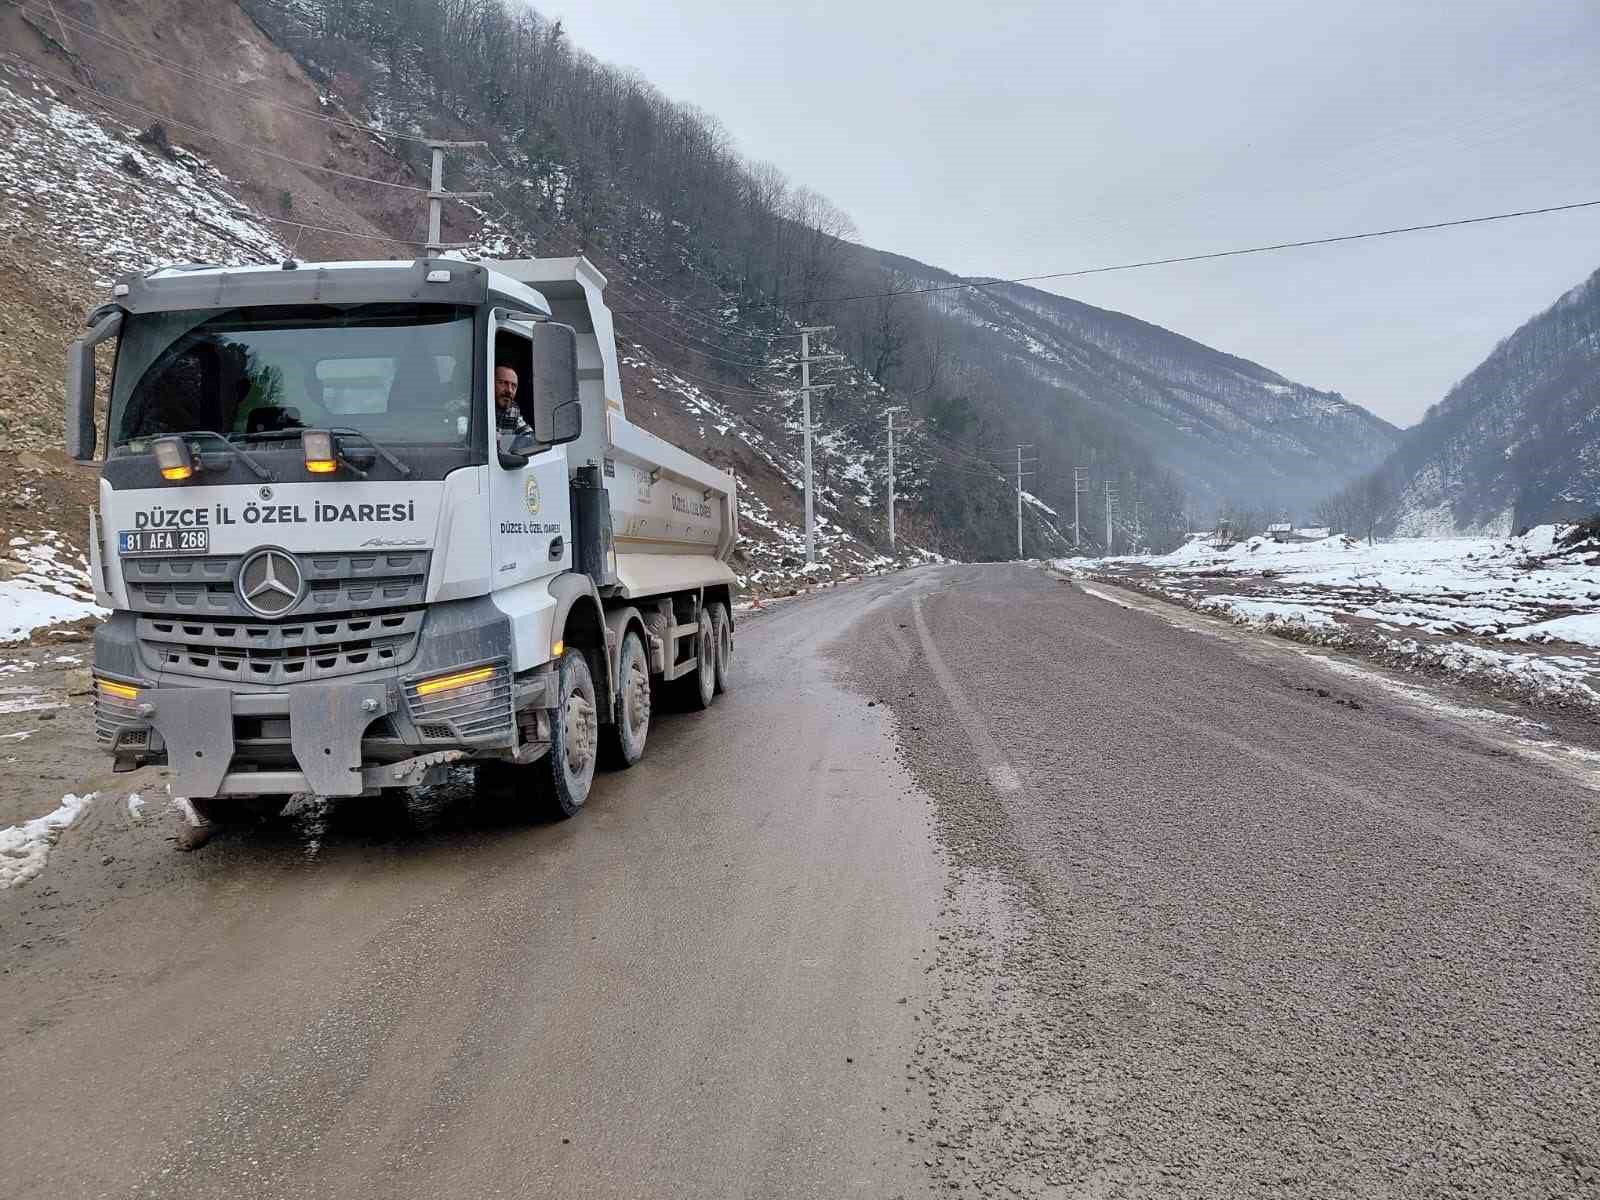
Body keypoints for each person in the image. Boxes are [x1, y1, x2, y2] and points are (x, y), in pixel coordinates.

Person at [494, 364, 533, 451]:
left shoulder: (513, 409)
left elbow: (528, 436)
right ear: (490, 383)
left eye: (514, 386)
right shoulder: (475, 407)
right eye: (503, 383)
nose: (509, 390)